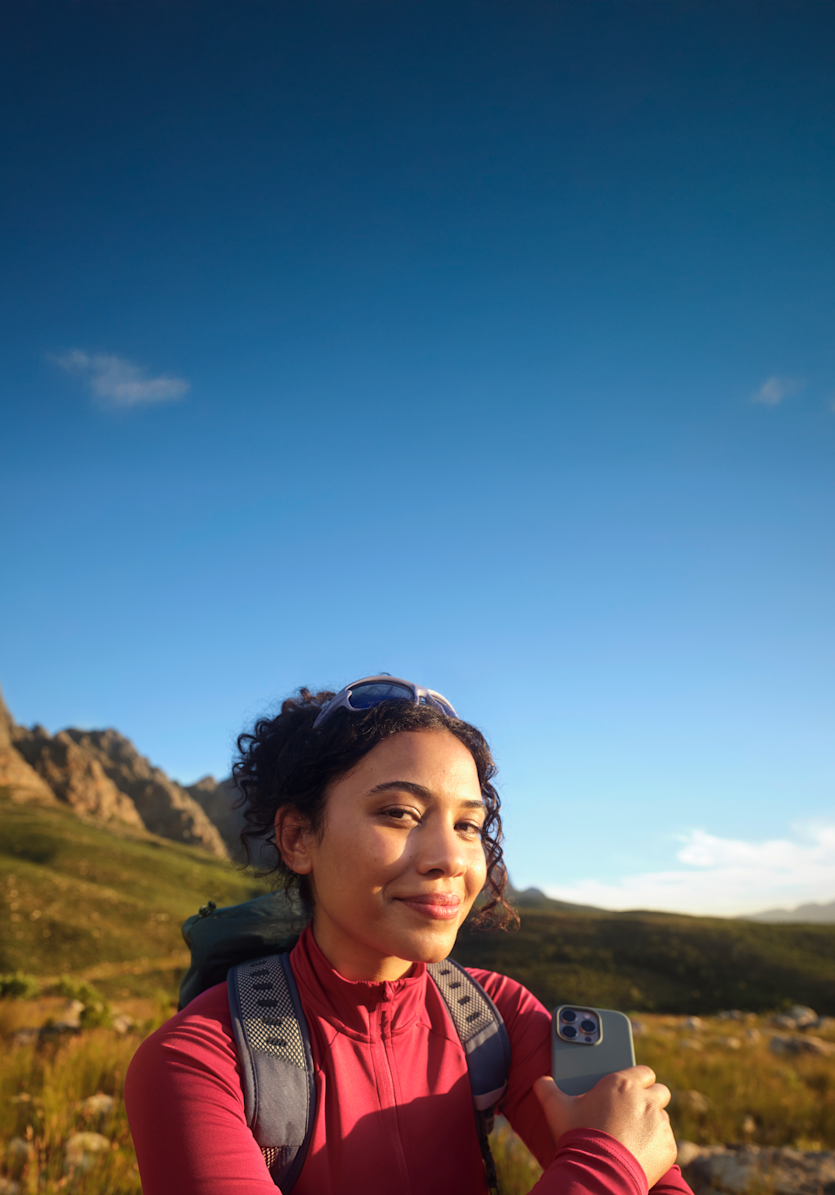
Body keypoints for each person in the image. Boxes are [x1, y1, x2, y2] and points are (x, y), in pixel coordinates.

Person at [126, 676, 690, 1195]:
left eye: (467, 826)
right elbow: (624, 1160)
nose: (450, 858)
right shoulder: (199, 1061)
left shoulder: (495, 1015)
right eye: (399, 813)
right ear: (298, 837)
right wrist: (607, 1165)